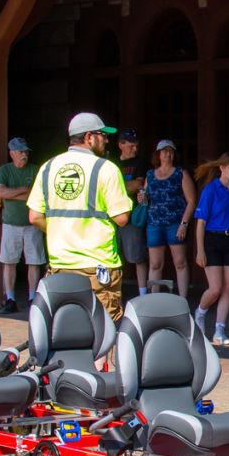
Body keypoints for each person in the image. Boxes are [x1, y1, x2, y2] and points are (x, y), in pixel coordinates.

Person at [28, 112, 133, 320]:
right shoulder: (107, 169)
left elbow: (34, 216)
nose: (106, 139)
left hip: (60, 266)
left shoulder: (48, 168)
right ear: (88, 137)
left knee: (66, 327)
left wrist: (62, 229)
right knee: (102, 332)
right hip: (98, 265)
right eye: (102, 134)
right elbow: (121, 218)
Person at [193, 152, 229, 346]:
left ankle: (220, 329)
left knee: (228, 287)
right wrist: (200, 250)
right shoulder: (211, 189)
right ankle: (200, 313)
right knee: (215, 288)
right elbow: (201, 222)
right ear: (222, 168)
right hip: (213, 238)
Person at [0, 137, 43, 314]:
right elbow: (1, 192)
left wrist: (12, 193)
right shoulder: (4, 170)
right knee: (9, 261)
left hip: (32, 222)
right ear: (12, 153)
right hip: (10, 224)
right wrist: (24, 190)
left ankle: (32, 297)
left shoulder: (35, 169)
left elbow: (38, 195)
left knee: (34, 261)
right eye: (21, 152)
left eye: (26, 152)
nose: (24, 155)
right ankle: (11, 298)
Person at [144, 139, 197, 302]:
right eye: (164, 151)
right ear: (158, 154)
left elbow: (191, 201)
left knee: (180, 262)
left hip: (175, 223)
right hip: (154, 223)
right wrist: (142, 198)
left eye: (171, 151)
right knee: (155, 264)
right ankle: (154, 300)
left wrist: (184, 224)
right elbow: (146, 200)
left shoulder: (181, 173)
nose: (168, 154)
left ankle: (182, 300)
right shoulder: (150, 174)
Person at [114, 129, 149, 295]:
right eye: (131, 145)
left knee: (138, 256)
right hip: (112, 215)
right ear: (121, 144)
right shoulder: (111, 162)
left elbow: (138, 185)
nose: (135, 149)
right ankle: (113, 291)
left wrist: (115, 189)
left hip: (133, 215)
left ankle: (142, 293)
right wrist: (129, 187)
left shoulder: (140, 163)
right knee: (112, 257)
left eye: (136, 145)